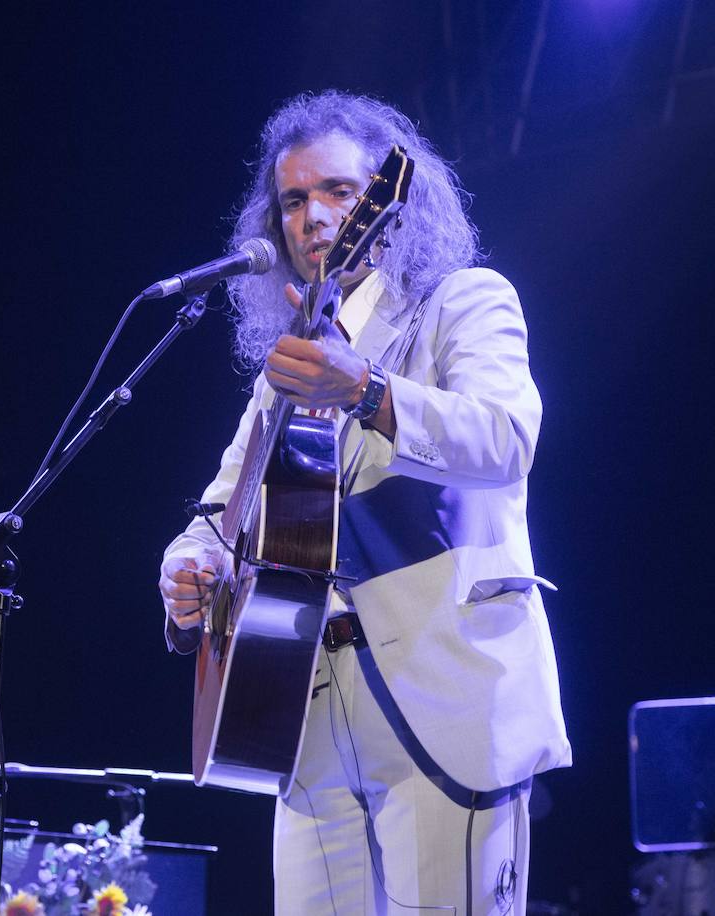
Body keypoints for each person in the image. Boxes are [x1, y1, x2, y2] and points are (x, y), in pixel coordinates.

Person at [157, 91, 570, 914]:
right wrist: (188, 568)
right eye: (294, 200)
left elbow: (505, 439)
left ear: (389, 201)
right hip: (298, 711)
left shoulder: (464, 300)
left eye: (341, 192)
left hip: (445, 692)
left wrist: (370, 389)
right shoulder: (286, 372)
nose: (315, 217)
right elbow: (214, 515)